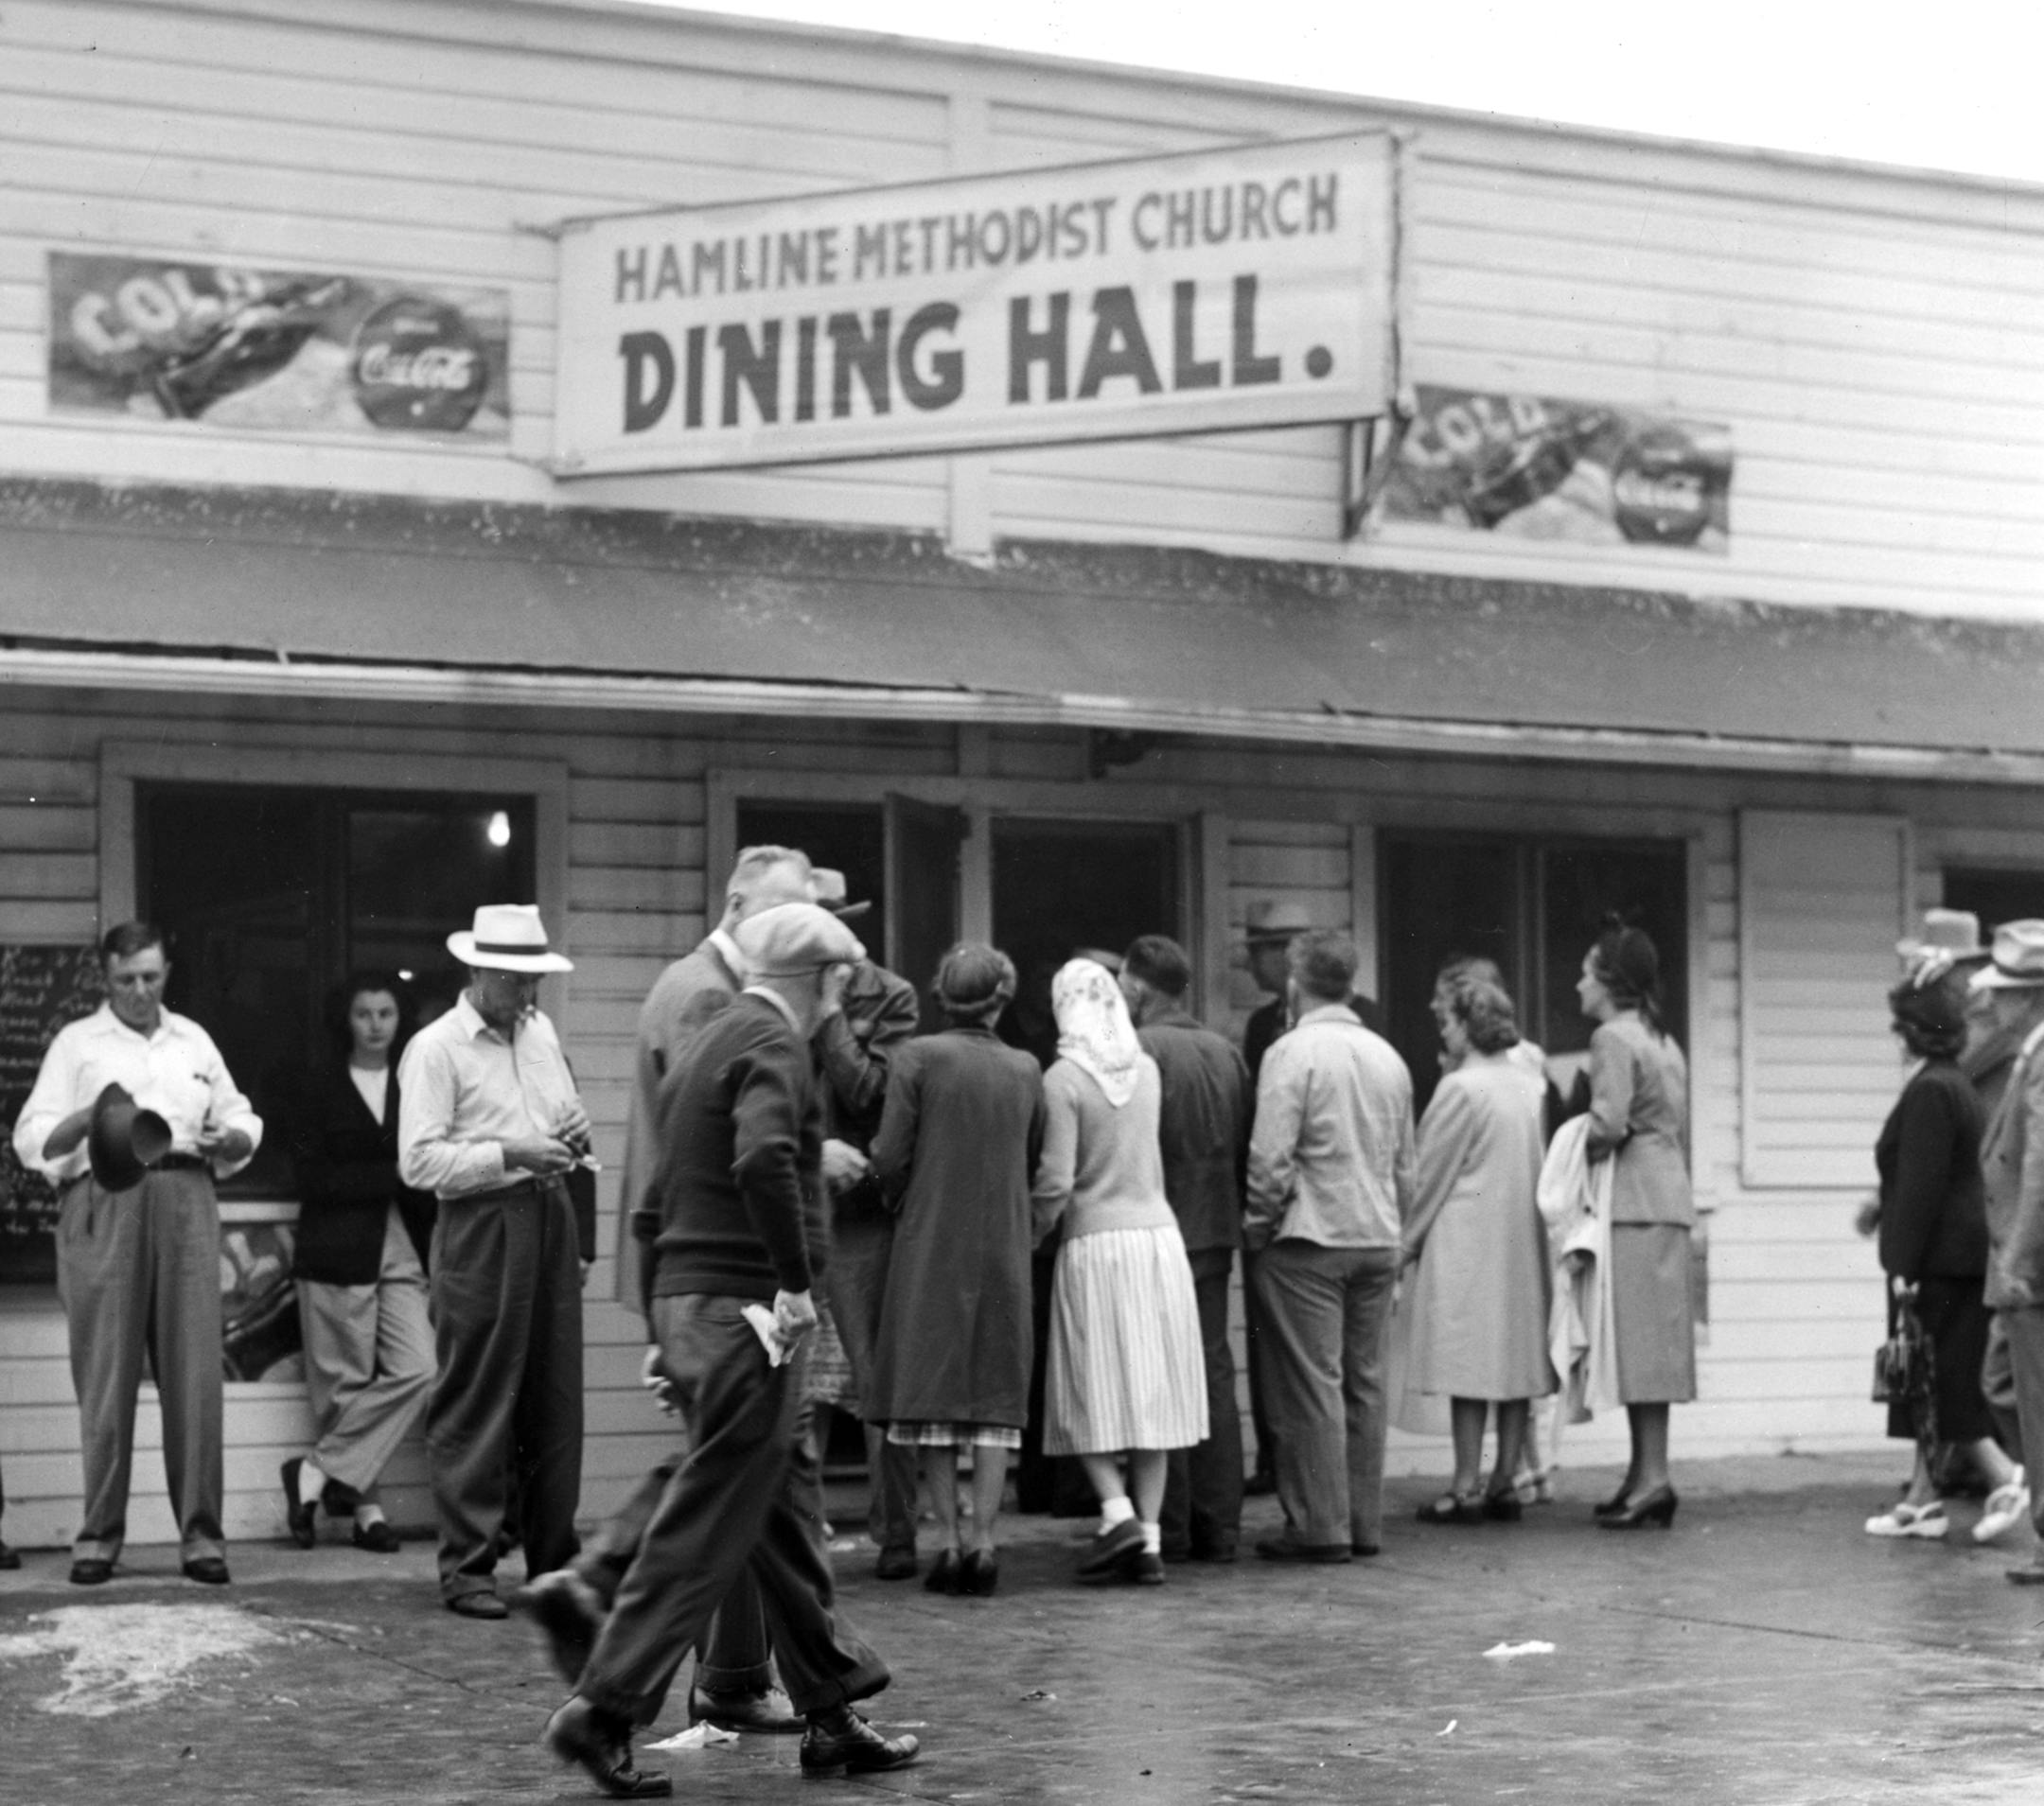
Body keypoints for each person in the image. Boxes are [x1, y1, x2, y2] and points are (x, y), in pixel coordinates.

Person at [539, 902, 917, 1797]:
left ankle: (831, 1708)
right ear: (820, 981)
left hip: (691, 1295)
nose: (842, 1000)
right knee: (711, 1514)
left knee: (772, 1501)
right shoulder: (778, 1045)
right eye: (838, 983)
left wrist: (663, 1317)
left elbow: (650, 1191)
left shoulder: (708, 1035)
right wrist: (792, 1281)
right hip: (745, 1305)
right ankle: (604, 1695)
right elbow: (759, 1162)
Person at [587, 843, 818, 1730]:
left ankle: (746, 1673)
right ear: (735, 906)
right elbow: (721, 1153)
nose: (798, 935)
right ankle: (688, 1671)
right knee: (729, 1489)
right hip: (720, 1282)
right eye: (782, 912)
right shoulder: (715, 999)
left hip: (692, 1276)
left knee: (741, 1485)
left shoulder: (687, 984)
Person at [12, 920, 262, 1587]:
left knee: (195, 1375)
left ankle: (202, 1537)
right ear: (106, 978)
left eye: (150, 976)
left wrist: (232, 1138)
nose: (139, 990)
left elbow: (242, 1115)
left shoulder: (194, 1040)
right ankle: (98, 1536)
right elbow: (30, 1138)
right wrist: (89, 1119)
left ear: (166, 972)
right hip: (106, 1197)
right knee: (106, 1375)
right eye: (126, 979)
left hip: (186, 1193)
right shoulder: (77, 1043)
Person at [398, 903, 590, 1619]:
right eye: (516, 979)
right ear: (478, 970)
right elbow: (419, 1161)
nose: (529, 994)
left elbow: (562, 1120)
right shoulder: (437, 1047)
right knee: (477, 1388)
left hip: (549, 1212)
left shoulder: (538, 1031)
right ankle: (469, 1565)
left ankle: (551, 1559)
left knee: (554, 1393)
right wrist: (510, 1152)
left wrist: (571, 1129)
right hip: (479, 1222)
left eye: (535, 979)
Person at [868, 944, 1045, 1597]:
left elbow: (888, 1155)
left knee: (934, 1401)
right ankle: (985, 1542)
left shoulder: (915, 1057)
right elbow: (1033, 1154)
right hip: (1001, 1239)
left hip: (931, 1239)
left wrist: (900, 1196)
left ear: (942, 993)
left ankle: (945, 1543)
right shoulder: (1026, 1067)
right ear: (1000, 997)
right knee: (993, 1400)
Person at [1032, 958, 1207, 1587]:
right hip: (1159, 1241)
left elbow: (1055, 1179)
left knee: (1089, 1383)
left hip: (1096, 1240)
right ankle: (1151, 1538)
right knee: (1151, 1392)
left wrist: (1030, 1233)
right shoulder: (1148, 1067)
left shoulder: (1063, 1078)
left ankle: (1116, 1510)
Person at [1245, 929, 1414, 1564]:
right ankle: (1360, 1522)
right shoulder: (1388, 1056)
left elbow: (1270, 1158)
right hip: (1377, 1234)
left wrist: (1258, 1227)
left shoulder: (1292, 1052)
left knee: (1311, 1382)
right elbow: (1408, 1165)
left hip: (1311, 1236)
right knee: (1364, 1383)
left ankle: (1320, 1526)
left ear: (1297, 980)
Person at [1860, 972, 2018, 1540]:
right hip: (1962, 1258)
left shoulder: (1930, 1089)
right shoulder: (1956, 1084)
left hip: (1938, 1262)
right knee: (1930, 1383)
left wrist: (1901, 1266)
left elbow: (1922, 1188)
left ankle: (2007, 1476)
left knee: (1938, 1380)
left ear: (1913, 1032)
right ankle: (1923, 1499)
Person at [284, 972, 436, 1553]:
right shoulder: (316, 1085)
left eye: (386, 1014)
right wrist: (389, 1174)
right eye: (363, 1014)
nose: (376, 1025)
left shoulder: (414, 1081)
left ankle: (315, 1471)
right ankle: (367, 1510)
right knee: (344, 1386)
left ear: (402, 1020)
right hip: (336, 1244)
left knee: (419, 1367)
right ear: (344, 1021)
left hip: (400, 1243)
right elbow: (311, 1176)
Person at [1401, 974, 1556, 1523]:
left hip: (1468, 1239)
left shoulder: (1460, 1088)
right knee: (1512, 1360)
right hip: (1518, 1232)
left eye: (1447, 1021)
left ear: (1468, 1025)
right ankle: (1504, 1479)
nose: (1442, 1032)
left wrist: (1405, 1243)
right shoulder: (1522, 1084)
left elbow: (1430, 1173)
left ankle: (1465, 1485)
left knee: (1469, 1365)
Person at [806, 869, 925, 1582]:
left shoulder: (892, 993)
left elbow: (869, 1090)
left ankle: (896, 1534)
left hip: (856, 1220)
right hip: (786, 1206)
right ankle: (794, 1529)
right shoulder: (767, 984)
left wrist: (824, 1014)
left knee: (878, 1376)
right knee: (793, 1379)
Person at [1119, 933, 1252, 1563]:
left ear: (1139, 986)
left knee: (1158, 1375)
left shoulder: (1141, 1049)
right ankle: (1219, 1523)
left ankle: (1167, 1525)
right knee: (1213, 1368)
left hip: (1160, 1227)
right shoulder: (1225, 1052)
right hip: (1215, 1228)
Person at [1577, 922, 1694, 1531]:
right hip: (1668, 1195)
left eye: (1585, 971)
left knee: (1643, 1349)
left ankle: (1652, 1478)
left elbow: (1609, 1123)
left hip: (1637, 1201)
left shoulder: (1612, 1037)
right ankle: (1645, 1473)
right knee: (1655, 1350)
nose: (1577, 983)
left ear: (1608, 982)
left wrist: (1572, 1147)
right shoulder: (1662, 1039)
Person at [1969, 921, 2044, 1583]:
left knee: (2028, 1392)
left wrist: (2018, 1259)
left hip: (2034, 1269)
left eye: (2008, 992)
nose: (1995, 1003)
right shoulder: (2029, 1053)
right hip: (2022, 1264)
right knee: (2005, 1383)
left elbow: (2043, 1167)